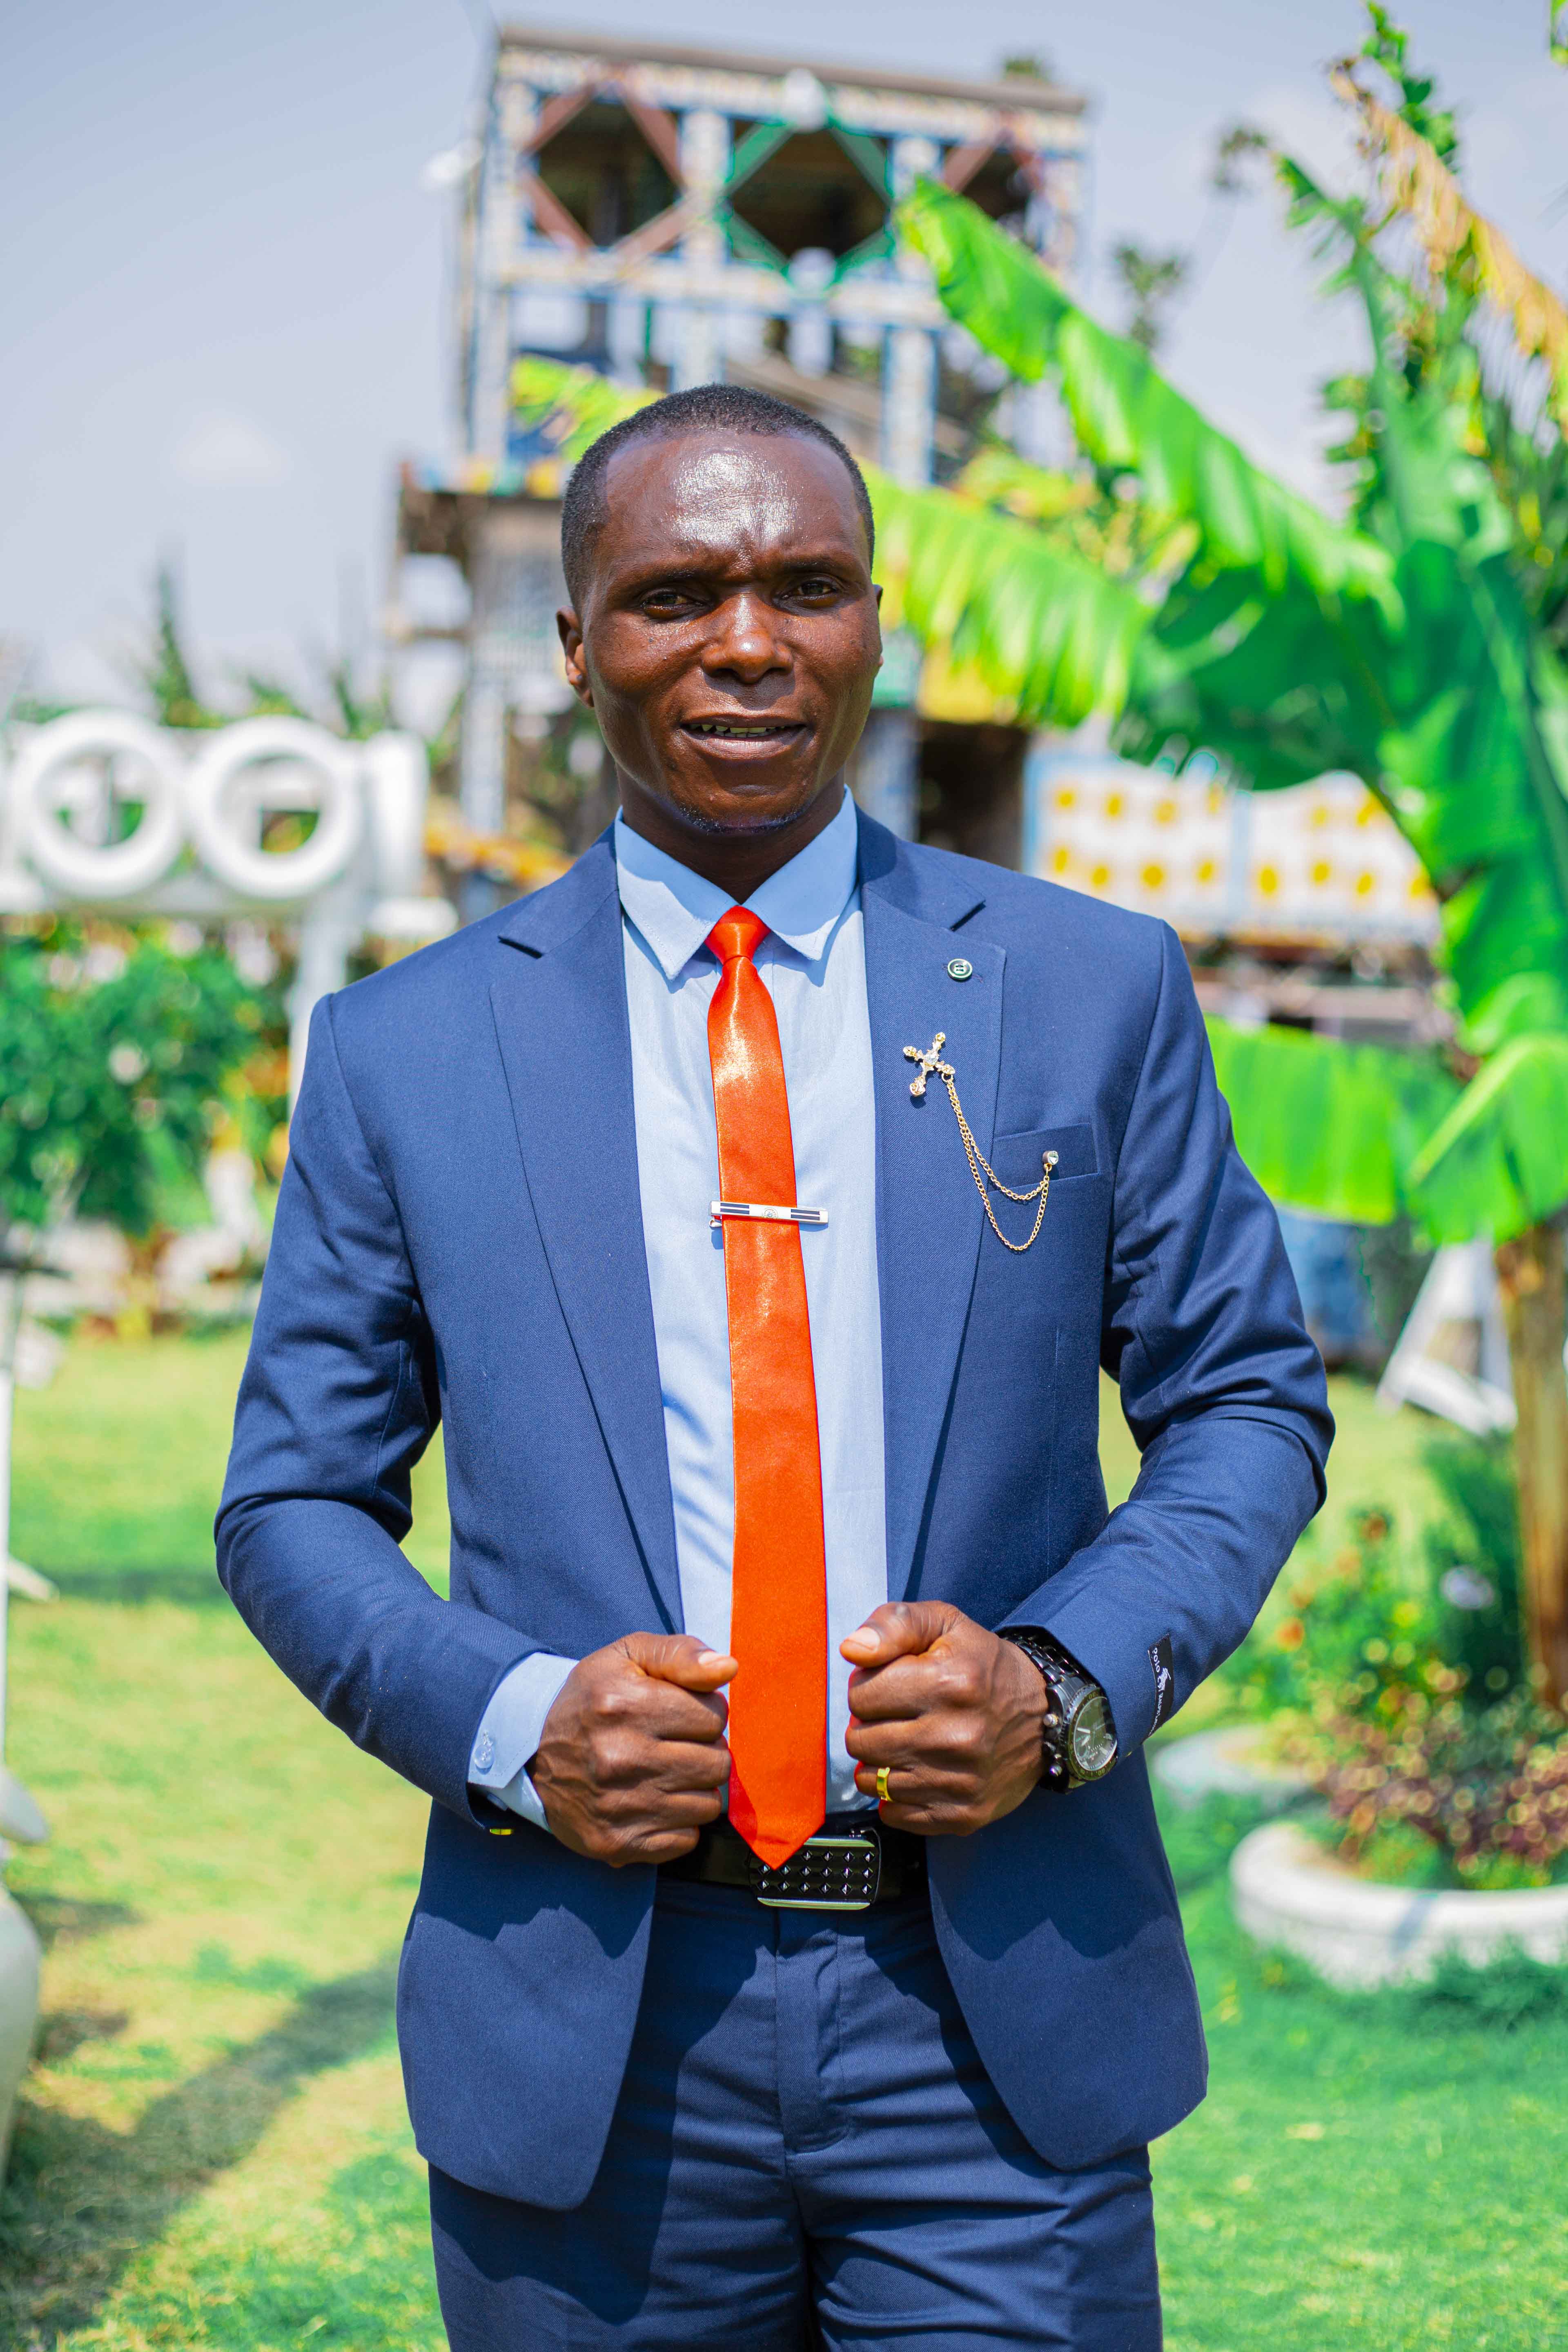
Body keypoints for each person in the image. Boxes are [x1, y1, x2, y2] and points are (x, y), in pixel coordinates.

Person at [218, 384, 1331, 2349]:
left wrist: (1061, 1686)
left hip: (992, 2015)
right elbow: (294, 1501)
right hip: (592, 2017)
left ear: (876, 623)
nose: (748, 641)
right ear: (577, 643)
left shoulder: (1088, 990)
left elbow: (1246, 1398)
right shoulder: (406, 1051)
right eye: (677, 594)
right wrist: (518, 1723)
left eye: (807, 584)